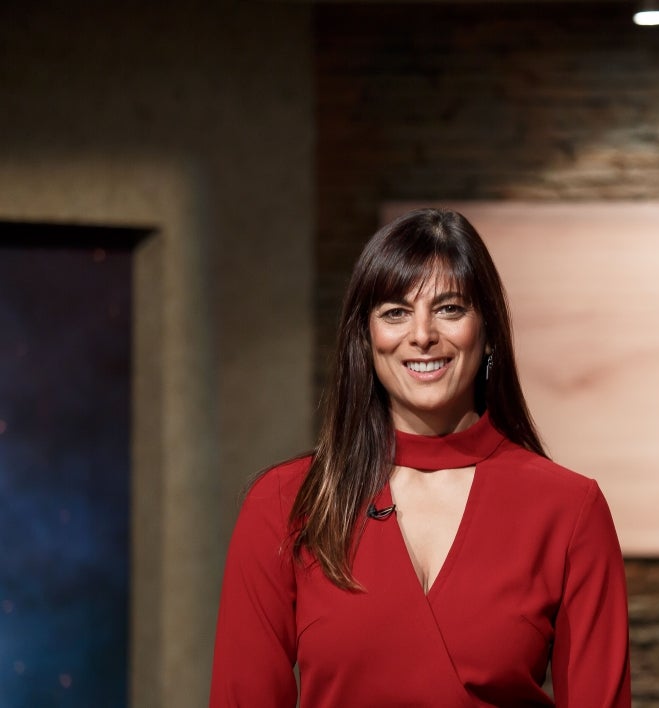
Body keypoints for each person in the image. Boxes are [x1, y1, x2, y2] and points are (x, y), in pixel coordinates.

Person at [209, 208, 631, 707]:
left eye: (449, 308)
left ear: (489, 330)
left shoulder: (569, 509)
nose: (423, 334)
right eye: (395, 312)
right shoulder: (284, 503)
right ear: (365, 340)